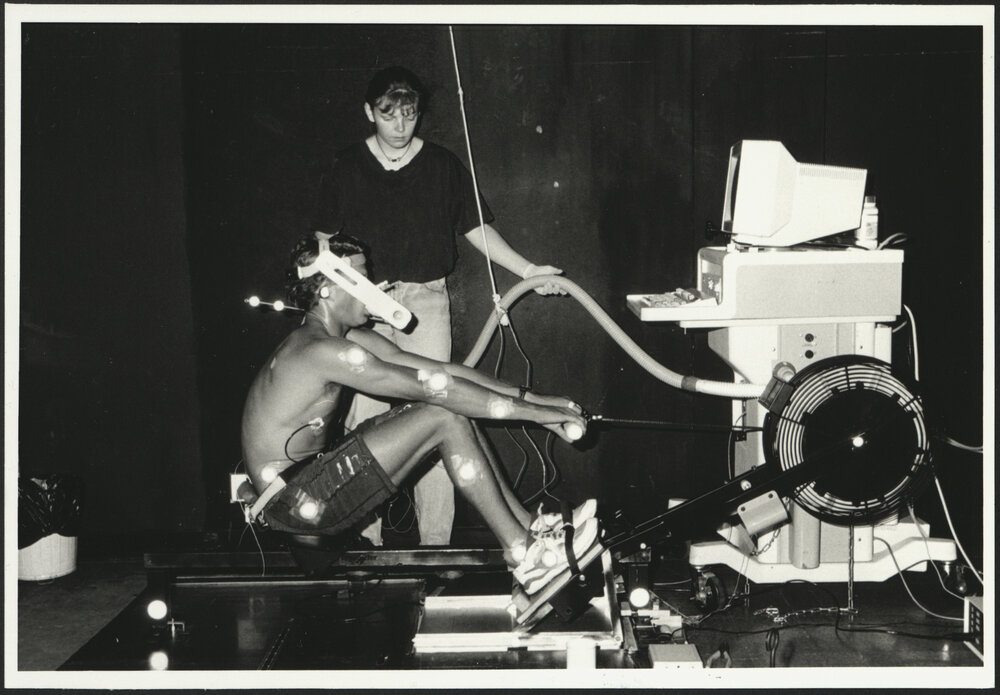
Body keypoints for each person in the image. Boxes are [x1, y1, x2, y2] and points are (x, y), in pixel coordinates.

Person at [240, 233, 598, 597]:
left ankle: (530, 530)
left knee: (450, 408)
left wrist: (539, 399)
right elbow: (435, 389)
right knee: (443, 414)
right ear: (329, 289)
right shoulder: (320, 350)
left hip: (307, 487)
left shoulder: (346, 339)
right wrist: (538, 415)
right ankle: (526, 558)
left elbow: (444, 374)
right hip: (295, 506)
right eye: (364, 279)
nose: (377, 288)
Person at [313, 65, 566, 546]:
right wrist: (356, 294)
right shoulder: (346, 166)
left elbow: (476, 228)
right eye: (388, 116)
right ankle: (368, 549)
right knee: (365, 429)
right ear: (369, 113)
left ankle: (435, 550)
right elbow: (325, 243)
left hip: (426, 303)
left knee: (439, 411)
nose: (400, 125)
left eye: (409, 115)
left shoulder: (443, 164)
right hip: (364, 309)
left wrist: (528, 270)